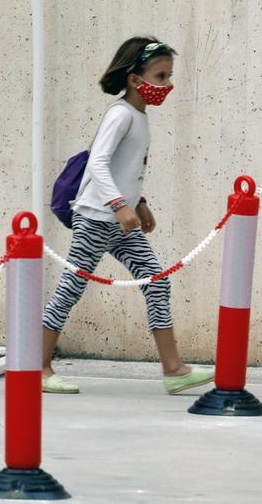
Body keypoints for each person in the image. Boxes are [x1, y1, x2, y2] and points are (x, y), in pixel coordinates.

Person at [41, 36, 214, 394]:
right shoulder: (120, 115)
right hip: (96, 218)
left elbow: (126, 168)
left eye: (168, 76)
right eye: (161, 76)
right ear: (136, 80)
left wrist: (139, 202)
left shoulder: (137, 116)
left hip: (121, 220)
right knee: (70, 289)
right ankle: (36, 367)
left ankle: (174, 370)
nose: (168, 85)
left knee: (156, 280)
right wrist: (121, 206)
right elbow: (99, 163)